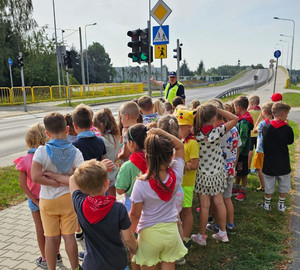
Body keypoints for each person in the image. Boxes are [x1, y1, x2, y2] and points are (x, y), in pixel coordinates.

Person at [31, 112, 84, 270]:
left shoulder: (41, 152)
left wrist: (53, 182)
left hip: (47, 200)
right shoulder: (75, 151)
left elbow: (35, 176)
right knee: (69, 237)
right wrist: (64, 181)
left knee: (51, 238)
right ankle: (75, 267)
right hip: (69, 198)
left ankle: (51, 268)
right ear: (67, 129)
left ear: (47, 133)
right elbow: (81, 177)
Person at [129, 128, 188, 268]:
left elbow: (134, 215)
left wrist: (131, 239)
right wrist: (161, 132)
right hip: (171, 232)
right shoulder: (177, 172)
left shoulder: (141, 184)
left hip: (149, 236)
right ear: (170, 157)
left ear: (147, 156)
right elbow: (180, 145)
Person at [70, 159, 137, 270]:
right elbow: (127, 238)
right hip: (117, 262)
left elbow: (72, 179)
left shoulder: (80, 204)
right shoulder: (118, 208)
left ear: (82, 187)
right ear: (106, 183)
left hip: (92, 264)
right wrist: (134, 247)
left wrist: (96, 168)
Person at [14, 123, 62, 268]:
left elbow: (23, 185)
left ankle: (45, 258)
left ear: (28, 140)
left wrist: (34, 200)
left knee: (40, 228)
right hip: (50, 196)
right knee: (54, 228)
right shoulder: (49, 155)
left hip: (35, 199)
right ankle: (56, 254)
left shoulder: (24, 160)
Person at [191, 103, 238, 245]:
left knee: (204, 206)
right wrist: (218, 109)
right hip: (218, 171)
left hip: (202, 175)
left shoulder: (194, 133)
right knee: (219, 201)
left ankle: (201, 236)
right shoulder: (217, 131)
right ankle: (222, 233)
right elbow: (235, 118)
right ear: (213, 118)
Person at [210, 99, 241, 235]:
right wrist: (233, 165)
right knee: (227, 198)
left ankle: (218, 225)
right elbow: (237, 148)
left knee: (218, 200)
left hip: (218, 171)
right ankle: (230, 224)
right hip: (230, 168)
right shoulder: (234, 129)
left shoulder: (217, 131)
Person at [259, 102, 294, 212]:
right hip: (283, 161)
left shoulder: (266, 127)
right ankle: (281, 205)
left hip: (269, 160)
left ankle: (267, 204)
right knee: (284, 184)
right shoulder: (287, 129)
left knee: (269, 183)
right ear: (283, 114)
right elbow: (290, 141)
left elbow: (264, 144)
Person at [175, 109, 199, 249]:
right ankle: (178, 234)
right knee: (177, 211)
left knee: (186, 210)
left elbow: (195, 164)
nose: (178, 129)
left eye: (181, 126)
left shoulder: (192, 143)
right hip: (179, 182)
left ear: (189, 127)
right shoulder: (180, 141)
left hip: (187, 183)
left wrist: (182, 166)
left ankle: (186, 237)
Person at [115, 124, 148, 212]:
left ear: (132, 144)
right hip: (151, 204)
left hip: (132, 206)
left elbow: (120, 190)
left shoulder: (128, 166)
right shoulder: (155, 160)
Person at [93, 108, 121, 197]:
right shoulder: (115, 136)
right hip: (114, 169)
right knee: (112, 196)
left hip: (105, 171)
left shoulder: (102, 140)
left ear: (100, 126)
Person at [232, 96, 254, 201]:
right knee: (239, 171)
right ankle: (236, 187)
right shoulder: (242, 119)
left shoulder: (244, 122)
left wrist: (238, 151)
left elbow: (243, 139)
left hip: (242, 152)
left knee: (243, 172)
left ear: (239, 107)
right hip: (240, 152)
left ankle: (243, 189)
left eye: (235, 107)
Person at [253, 102, 274, 192]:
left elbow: (254, 131)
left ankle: (263, 186)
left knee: (259, 168)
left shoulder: (263, 123)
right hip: (270, 149)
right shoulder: (274, 122)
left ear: (264, 112)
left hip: (261, 149)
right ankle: (269, 185)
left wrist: (258, 119)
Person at [247, 95, 261, 173]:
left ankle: (248, 168)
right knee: (258, 152)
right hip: (259, 135)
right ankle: (257, 167)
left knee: (250, 151)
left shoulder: (249, 112)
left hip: (251, 134)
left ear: (251, 103)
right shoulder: (262, 112)